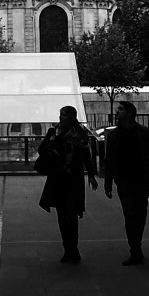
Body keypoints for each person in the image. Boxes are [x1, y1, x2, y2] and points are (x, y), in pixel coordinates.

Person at [102, 101, 149, 265]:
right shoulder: (114, 135)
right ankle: (135, 249)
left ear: (130, 113)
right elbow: (110, 161)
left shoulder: (143, 132)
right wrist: (108, 183)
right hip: (123, 179)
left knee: (140, 213)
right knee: (130, 214)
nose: (116, 112)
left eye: (120, 109)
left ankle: (136, 246)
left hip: (141, 177)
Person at [36, 105, 98, 262]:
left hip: (73, 179)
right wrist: (51, 146)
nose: (60, 117)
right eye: (60, 114)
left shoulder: (79, 134)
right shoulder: (53, 132)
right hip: (58, 178)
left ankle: (73, 248)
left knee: (72, 214)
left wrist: (91, 175)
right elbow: (41, 149)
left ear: (71, 117)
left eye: (63, 115)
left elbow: (86, 156)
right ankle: (68, 247)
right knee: (62, 215)